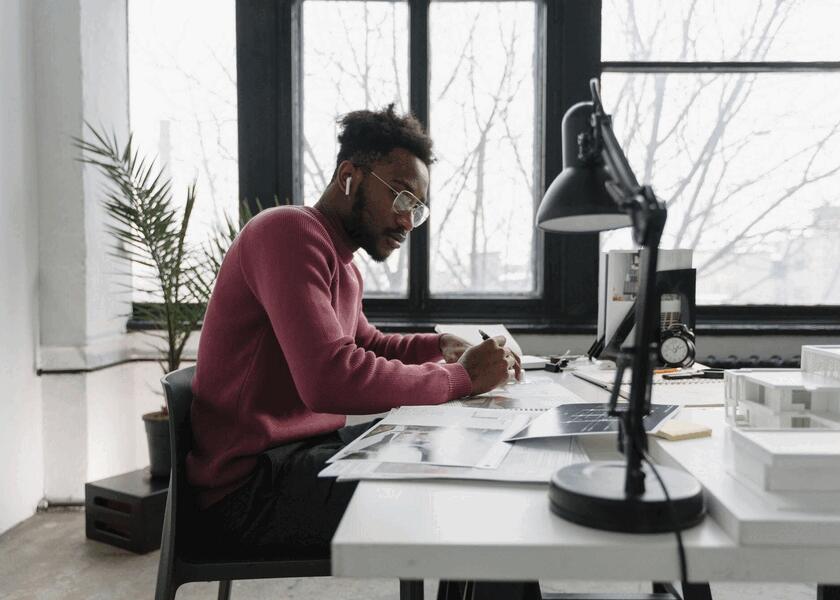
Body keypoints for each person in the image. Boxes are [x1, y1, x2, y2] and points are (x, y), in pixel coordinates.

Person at [188, 104, 521, 554]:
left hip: (303, 455)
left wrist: (440, 346)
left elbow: (366, 343)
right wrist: (461, 377)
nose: (408, 221)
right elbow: (330, 377)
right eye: (402, 197)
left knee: (466, 457)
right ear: (350, 175)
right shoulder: (287, 232)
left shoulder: (341, 262)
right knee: (472, 493)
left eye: (417, 209)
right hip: (248, 487)